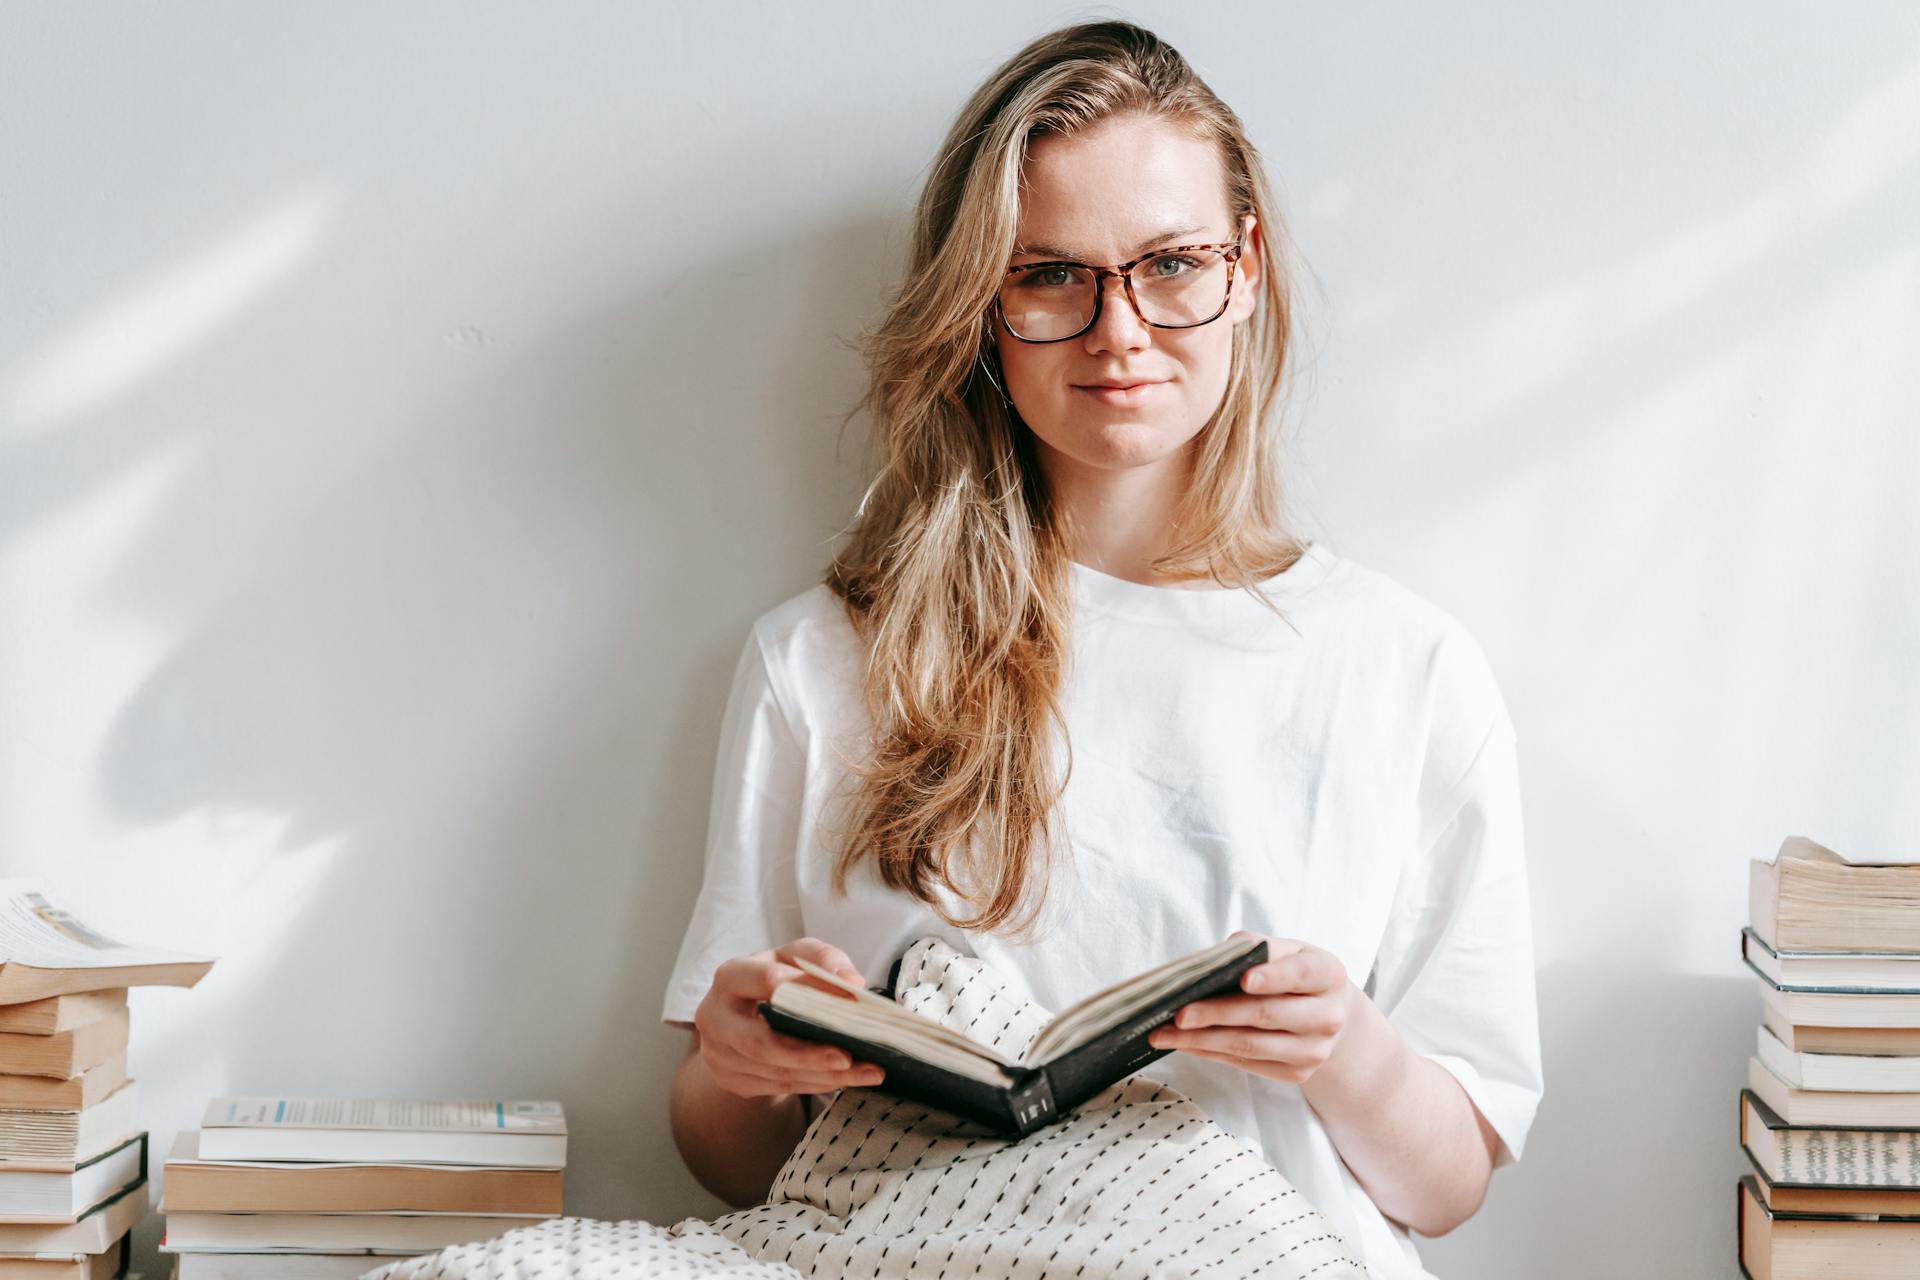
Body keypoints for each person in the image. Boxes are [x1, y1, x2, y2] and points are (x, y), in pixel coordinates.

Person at [660, 20, 1542, 1279]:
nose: (1119, 330)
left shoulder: (1406, 667)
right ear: (982, 307)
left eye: (1170, 263)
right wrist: (734, 1066)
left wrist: (1339, 1039)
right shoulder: (822, 657)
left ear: (1245, 269)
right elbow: (738, 1163)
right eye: (1051, 277)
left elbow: (1449, 1184)